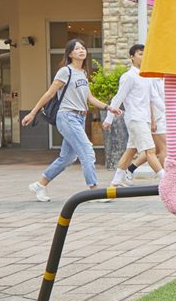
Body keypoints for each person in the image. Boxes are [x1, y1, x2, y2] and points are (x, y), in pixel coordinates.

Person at [21, 39, 121, 201]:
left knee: (67, 158)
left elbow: (89, 97)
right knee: (87, 151)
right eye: (77, 49)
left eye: (83, 48)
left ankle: (40, 185)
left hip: (80, 118)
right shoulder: (65, 71)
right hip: (67, 116)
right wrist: (32, 113)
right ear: (70, 54)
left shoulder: (83, 73)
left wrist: (108, 107)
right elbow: (49, 94)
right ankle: (94, 191)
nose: (81, 50)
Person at [103, 44, 165, 187]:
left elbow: (154, 98)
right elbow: (118, 98)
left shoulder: (146, 77)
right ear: (132, 57)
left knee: (131, 151)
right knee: (150, 151)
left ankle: (116, 181)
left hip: (144, 119)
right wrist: (109, 119)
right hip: (135, 119)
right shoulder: (128, 77)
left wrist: (172, 114)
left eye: (145, 54)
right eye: (140, 54)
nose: (143, 57)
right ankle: (166, 180)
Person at [124, 76, 167, 184]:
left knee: (154, 150)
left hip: (164, 117)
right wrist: (152, 120)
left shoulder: (164, 78)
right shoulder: (152, 79)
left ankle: (130, 169)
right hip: (156, 118)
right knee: (165, 148)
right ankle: (166, 177)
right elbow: (150, 101)